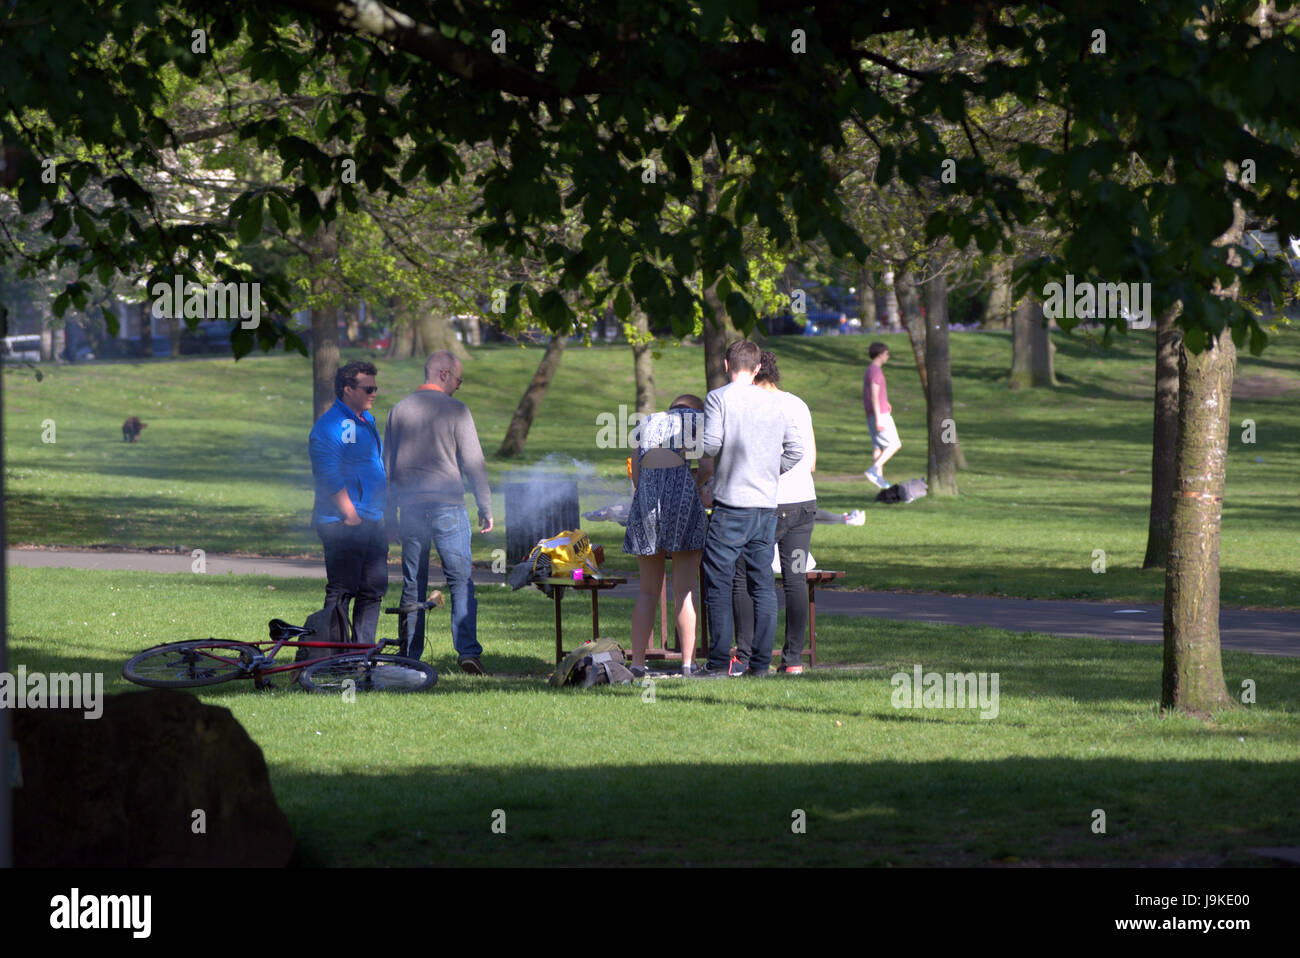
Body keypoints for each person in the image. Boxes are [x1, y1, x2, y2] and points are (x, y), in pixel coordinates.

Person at [697, 340, 803, 678]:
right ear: (757, 368)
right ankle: (759, 665)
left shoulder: (718, 398)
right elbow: (796, 449)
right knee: (763, 585)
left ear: (726, 364)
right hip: (766, 507)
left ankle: (717, 664)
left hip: (731, 506)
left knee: (719, 583)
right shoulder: (777, 403)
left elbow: (711, 444)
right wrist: (771, 470)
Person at [384, 350, 493, 674]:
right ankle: (468, 652)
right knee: (460, 581)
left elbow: (386, 469)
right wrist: (485, 505)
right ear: (444, 374)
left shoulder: (398, 410)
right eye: (459, 379)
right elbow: (474, 463)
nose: (459, 386)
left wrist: (390, 518)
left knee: (412, 583)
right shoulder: (457, 411)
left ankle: (409, 655)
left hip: (411, 509)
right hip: (448, 506)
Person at [731, 352, 818, 675]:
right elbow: (810, 461)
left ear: (752, 375)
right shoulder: (798, 404)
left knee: (745, 576)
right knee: (795, 580)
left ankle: (748, 654)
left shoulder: (751, 406)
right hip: (803, 503)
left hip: (767, 504)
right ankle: (793, 659)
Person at [622, 394, 712, 677]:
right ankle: (687, 664)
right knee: (685, 590)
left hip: (646, 505)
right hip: (682, 504)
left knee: (648, 591)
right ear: (695, 410)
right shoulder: (699, 419)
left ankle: (637, 663)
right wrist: (694, 485)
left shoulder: (645, 423)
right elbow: (707, 469)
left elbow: (636, 477)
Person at [308, 360, 388, 648]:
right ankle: (333, 653)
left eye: (375, 387)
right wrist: (350, 515)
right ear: (347, 389)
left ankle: (362, 653)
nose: (374, 393)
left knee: (372, 589)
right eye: (368, 388)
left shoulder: (365, 421)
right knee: (343, 590)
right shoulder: (331, 426)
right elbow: (328, 474)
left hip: (371, 519)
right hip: (344, 522)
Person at [863, 342, 901, 488]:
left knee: (878, 447)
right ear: (880, 354)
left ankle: (879, 479)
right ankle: (873, 471)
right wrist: (879, 417)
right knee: (895, 444)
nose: (887, 356)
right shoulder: (875, 371)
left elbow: (875, 395)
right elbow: (873, 395)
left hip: (874, 412)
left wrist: (886, 401)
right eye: (886, 353)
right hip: (880, 415)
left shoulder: (870, 370)